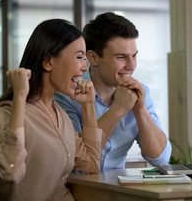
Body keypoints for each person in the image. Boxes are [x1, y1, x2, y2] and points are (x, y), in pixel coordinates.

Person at [0, 19, 103, 201]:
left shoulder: (61, 115)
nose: (85, 67)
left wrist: (88, 105)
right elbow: (11, 171)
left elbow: (92, 163)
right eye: (79, 57)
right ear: (47, 62)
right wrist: (20, 96)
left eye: (84, 59)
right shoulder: (7, 112)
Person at [54, 12, 171, 170]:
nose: (131, 66)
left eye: (134, 56)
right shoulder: (67, 94)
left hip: (117, 190)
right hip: (76, 189)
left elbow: (161, 159)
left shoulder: (140, 92)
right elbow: (75, 156)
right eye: (121, 57)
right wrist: (118, 109)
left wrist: (141, 110)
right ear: (94, 58)